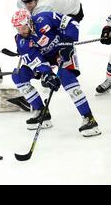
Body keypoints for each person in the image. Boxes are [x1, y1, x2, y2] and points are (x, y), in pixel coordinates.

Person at [10, 8, 101, 137]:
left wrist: (68, 42)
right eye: (17, 29)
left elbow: (71, 23)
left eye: (23, 28)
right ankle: (42, 112)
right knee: (18, 75)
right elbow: (36, 61)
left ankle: (89, 118)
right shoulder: (21, 41)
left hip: (63, 52)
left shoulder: (45, 18)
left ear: (29, 22)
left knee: (66, 77)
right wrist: (47, 74)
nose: (21, 31)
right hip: (45, 58)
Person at [17, 0, 84, 23]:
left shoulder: (43, 8)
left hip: (74, 10)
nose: (27, 6)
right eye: (25, 3)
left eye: (30, 3)